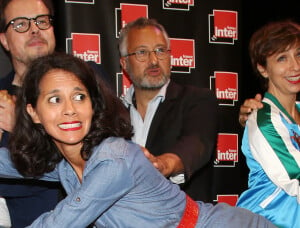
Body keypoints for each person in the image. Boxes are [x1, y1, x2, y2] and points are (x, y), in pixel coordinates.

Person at [0, 52, 276, 227]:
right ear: (33, 112)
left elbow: (59, 223)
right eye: (55, 99)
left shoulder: (114, 159)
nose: (70, 108)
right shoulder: (65, 164)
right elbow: (9, 163)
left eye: (79, 96)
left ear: (93, 106)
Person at [0, 0, 108, 227]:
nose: (34, 30)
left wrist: (20, 125)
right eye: (21, 24)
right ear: (5, 41)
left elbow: (105, 156)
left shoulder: (87, 78)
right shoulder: (1, 96)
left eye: (41, 21)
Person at [118, 17, 219, 202]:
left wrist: (163, 164)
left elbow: (196, 144)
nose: (154, 60)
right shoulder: (112, 113)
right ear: (124, 63)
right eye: (142, 52)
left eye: (160, 50)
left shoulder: (196, 100)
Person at [236, 20, 300, 228]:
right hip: (269, 222)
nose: (295, 66)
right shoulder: (264, 119)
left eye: (298, 54)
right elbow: (295, 178)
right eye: (282, 58)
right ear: (263, 69)